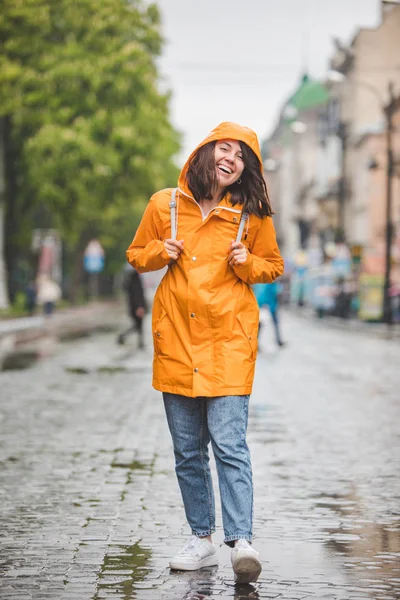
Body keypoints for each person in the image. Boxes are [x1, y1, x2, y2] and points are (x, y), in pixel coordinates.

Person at [126, 122, 284, 584]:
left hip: (229, 344)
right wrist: (161, 251)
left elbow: (272, 266)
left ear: (245, 171)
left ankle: (240, 542)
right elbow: (137, 255)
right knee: (188, 452)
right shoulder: (164, 205)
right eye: (227, 148)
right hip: (176, 341)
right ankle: (201, 538)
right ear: (207, 150)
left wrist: (245, 263)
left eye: (243, 158)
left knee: (229, 445)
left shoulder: (251, 214)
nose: (232, 159)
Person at [117, 263, 147, 348]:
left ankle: (140, 343)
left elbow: (126, 290)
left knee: (138, 326)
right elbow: (138, 294)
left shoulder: (129, 279)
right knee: (138, 325)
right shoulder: (136, 279)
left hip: (133, 306)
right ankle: (123, 336)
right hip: (137, 307)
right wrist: (140, 307)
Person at [253, 281, 285, 347]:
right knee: (260, 325)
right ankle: (255, 343)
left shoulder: (272, 283)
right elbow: (265, 294)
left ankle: (278, 341)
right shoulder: (268, 283)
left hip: (271, 306)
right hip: (268, 306)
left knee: (264, 325)